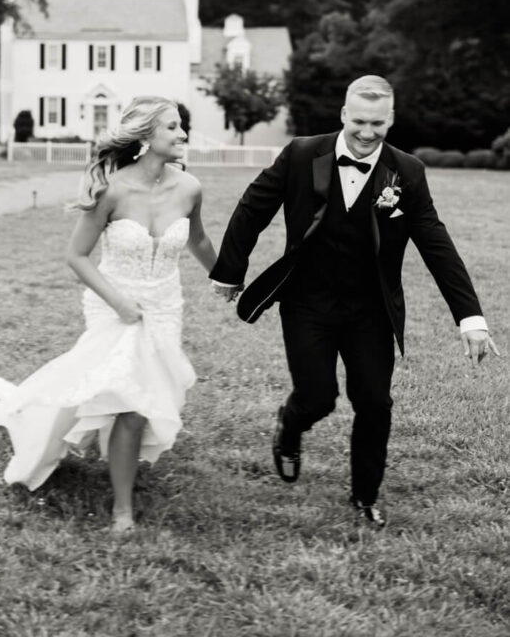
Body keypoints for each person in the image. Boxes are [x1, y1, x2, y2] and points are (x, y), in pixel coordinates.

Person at [210, 75, 499, 528]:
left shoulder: (407, 172)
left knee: (374, 403)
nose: (367, 132)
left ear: (391, 120)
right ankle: (290, 424)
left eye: (378, 123)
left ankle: (365, 495)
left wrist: (470, 318)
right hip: (307, 302)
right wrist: (230, 270)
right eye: (359, 121)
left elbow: (435, 244)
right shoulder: (303, 154)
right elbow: (253, 207)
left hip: (370, 310)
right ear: (344, 115)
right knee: (318, 397)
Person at [0, 96, 217, 534]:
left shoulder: (189, 188)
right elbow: (76, 256)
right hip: (114, 303)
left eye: (181, 126)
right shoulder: (113, 190)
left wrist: (229, 279)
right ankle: (122, 511)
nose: (182, 134)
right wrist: (118, 302)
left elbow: (201, 242)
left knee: (141, 399)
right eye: (172, 127)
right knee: (130, 404)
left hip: (164, 305)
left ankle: (104, 458)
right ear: (146, 136)